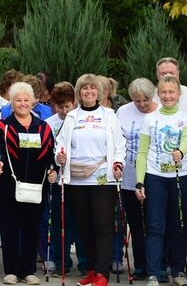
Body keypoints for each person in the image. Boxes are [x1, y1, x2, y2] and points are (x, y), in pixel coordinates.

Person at [55, 74, 126, 286]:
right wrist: (59, 155)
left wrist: (118, 164)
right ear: (79, 92)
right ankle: (92, 270)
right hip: (77, 178)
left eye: (92, 88)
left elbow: (119, 144)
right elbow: (60, 144)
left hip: (102, 177)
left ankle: (103, 273)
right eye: (84, 88)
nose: (89, 92)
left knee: (103, 225)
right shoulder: (72, 117)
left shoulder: (109, 115)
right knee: (84, 226)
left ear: (99, 92)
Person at [0, 81, 58, 285]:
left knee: (32, 226)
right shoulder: (3, 126)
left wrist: (53, 170)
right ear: (11, 103)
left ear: (33, 101)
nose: (22, 104)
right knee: (9, 226)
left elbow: (51, 154)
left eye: (26, 100)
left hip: (37, 185)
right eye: (18, 100)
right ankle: (11, 270)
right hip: (10, 184)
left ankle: (28, 270)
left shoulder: (43, 127)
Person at [134, 75, 187, 286]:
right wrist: (140, 181)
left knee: (178, 225)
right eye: (164, 92)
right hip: (155, 177)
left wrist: (181, 151)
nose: (167, 96)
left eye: (171, 92)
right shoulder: (150, 119)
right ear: (158, 94)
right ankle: (153, 273)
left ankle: (178, 271)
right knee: (154, 225)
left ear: (178, 94)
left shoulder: (186, 117)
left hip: (181, 176)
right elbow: (142, 152)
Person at [154, 57, 187, 275]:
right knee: (165, 215)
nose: (168, 75)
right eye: (163, 73)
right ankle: (167, 261)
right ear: (157, 75)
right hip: (158, 166)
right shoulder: (153, 95)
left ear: (178, 74)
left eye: (172, 72)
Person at [117, 78, 158, 280]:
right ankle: (140, 265)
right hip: (129, 176)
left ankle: (157, 265)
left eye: (145, 100)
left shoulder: (161, 111)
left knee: (154, 223)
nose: (141, 104)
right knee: (135, 224)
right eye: (137, 100)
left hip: (155, 175)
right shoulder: (123, 112)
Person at [46, 82, 88, 277]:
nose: (63, 110)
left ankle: (85, 263)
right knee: (60, 224)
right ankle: (61, 262)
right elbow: (46, 152)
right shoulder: (49, 124)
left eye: (67, 106)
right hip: (58, 180)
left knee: (81, 222)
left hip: (79, 178)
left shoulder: (81, 119)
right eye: (59, 106)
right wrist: (52, 168)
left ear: (74, 103)